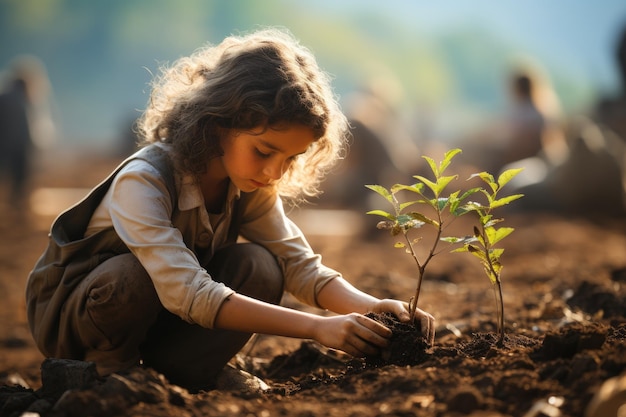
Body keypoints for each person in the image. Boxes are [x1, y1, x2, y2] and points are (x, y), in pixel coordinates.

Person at [25, 28, 435, 392]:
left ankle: (187, 370)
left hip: (164, 316)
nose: (275, 171)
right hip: (80, 320)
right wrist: (315, 327)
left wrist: (369, 305)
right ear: (219, 122)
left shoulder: (249, 184)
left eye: (289, 159)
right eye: (264, 151)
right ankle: (106, 372)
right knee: (133, 274)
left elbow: (300, 265)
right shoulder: (144, 180)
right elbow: (187, 292)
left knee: (262, 265)